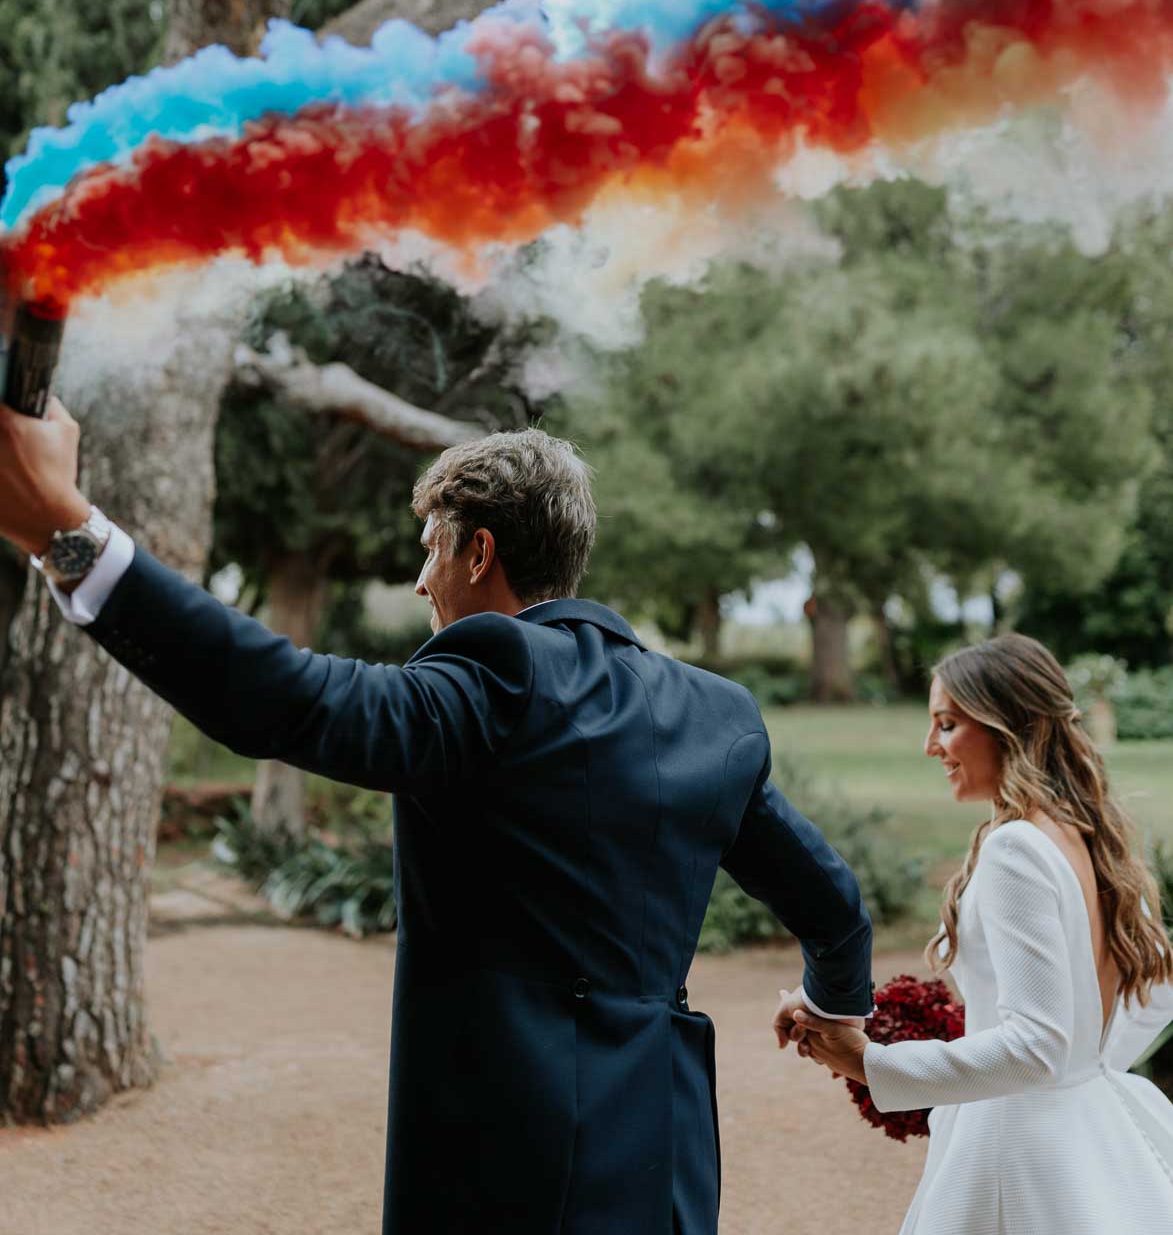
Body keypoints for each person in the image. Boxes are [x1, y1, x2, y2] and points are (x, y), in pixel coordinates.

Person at [0, 404, 873, 1235]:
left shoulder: (494, 674)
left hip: (509, 1157)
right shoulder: (717, 713)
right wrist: (833, 1011)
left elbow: (283, 702)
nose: (421, 581)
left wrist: (69, 534)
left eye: (430, 551)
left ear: (479, 550)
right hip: (668, 1152)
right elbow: (834, 910)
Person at [786, 632, 1173, 1234]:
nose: (929, 746)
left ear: (1005, 726)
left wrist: (873, 1063)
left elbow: (1035, 1045)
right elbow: (1151, 991)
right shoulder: (1088, 836)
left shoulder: (1016, 848)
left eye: (946, 724)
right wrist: (1082, 1073)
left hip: (1016, 1155)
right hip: (1088, 1127)